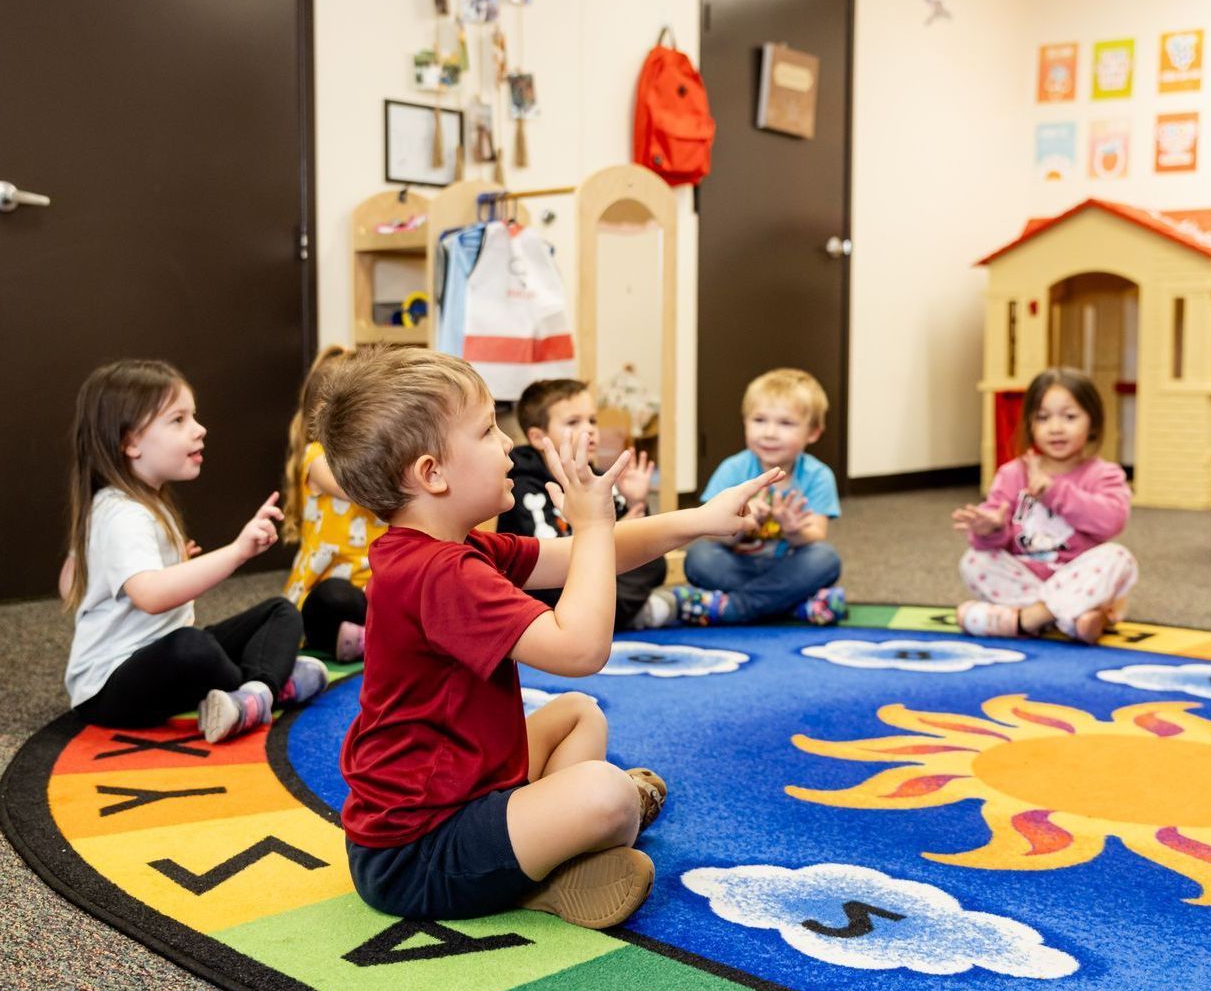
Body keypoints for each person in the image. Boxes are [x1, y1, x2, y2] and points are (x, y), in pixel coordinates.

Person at [317, 348, 778, 926]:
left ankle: (546, 864)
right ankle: (550, 862)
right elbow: (581, 649)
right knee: (606, 793)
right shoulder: (439, 574)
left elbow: (582, 558)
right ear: (432, 473)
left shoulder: (452, 547)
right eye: (487, 431)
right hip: (416, 857)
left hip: (466, 795)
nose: (509, 445)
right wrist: (592, 523)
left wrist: (698, 519)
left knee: (580, 716)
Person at [62, 360, 328, 743]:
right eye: (178, 420)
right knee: (194, 648)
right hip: (108, 689)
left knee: (280, 611)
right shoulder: (121, 512)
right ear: (130, 442)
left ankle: (255, 695)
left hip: (159, 655)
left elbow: (68, 581)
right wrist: (238, 552)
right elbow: (151, 596)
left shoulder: (142, 503)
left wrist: (164, 565)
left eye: (194, 416)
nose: (199, 429)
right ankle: (267, 682)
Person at [953, 366, 1137, 644]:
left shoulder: (1104, 474)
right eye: (1043, 417)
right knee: (973, 560)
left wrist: (1055, 491)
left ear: (1093, 423)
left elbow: (1111, 522)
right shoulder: (1012, 474)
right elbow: (992, 539)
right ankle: (1075, 615)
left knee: (1118, 558)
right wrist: (989, 529)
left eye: (1070, 417)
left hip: (1077, 578)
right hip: (1027, 577)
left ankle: (1026, 619)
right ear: (1030, 424)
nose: (1056, 428)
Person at [676, 368, 845, 627]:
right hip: (736, 565)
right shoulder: (732, 469)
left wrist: (793, 531)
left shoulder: (818, 476)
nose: (769, 433)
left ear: (813, 433)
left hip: (788, 568)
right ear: (745, 422)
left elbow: (816, 535)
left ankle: (732, 607)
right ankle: (791, 605)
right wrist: (742, 520)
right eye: (759, 420)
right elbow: (708, 532)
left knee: (825, 558)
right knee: (699, 557)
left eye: (785, 423)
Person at [498, 377, 670, 630]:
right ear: (538, 437)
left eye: (592, 420)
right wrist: (613, 533)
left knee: (653, 560)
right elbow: (554, 556)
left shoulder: (595, 475)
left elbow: (633, 533)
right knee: (565, 583)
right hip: (548, 586)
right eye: (573, 422)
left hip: (591, 577)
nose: (589, 429)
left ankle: (610, 616)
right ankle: (631, 614)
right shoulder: (525, 484)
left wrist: (636, 501)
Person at [282, 344, 386, 661]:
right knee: (332, 601)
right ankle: (372, 639)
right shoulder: (317, 458)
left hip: (375, 583)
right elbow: (362, 490)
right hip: (336, 589)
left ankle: (375, 637)